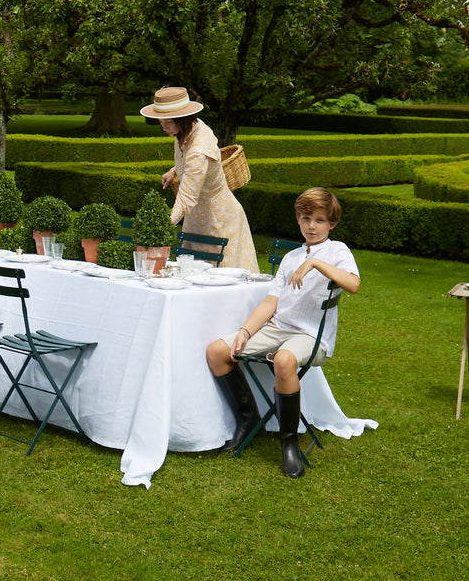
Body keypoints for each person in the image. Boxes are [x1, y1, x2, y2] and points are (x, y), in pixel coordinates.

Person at [206, 187, 360, 478]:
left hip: (312, 336)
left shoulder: (338, 251)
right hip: (278, 328)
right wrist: (246, 331)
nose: (311, 226)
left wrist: (315, 262)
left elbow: (353, 284)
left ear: (332, 223)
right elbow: (271, 302)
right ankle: (248, 419)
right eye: (305, 219)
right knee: (217, 352)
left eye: (319, 220)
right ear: (298, 220)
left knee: (285, 360)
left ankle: (289, 443)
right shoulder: (290, 258)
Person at [139, 86, 258, 272]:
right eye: (160, 123)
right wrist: (174, 171)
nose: (164, 128)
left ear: (183, 119)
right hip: (197, 219)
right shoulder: (185, 130)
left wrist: (162, 226)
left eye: (168, 123)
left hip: (218, 221)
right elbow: (194, 164)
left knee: (220, 280)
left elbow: (187, 197)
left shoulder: (199, 148)